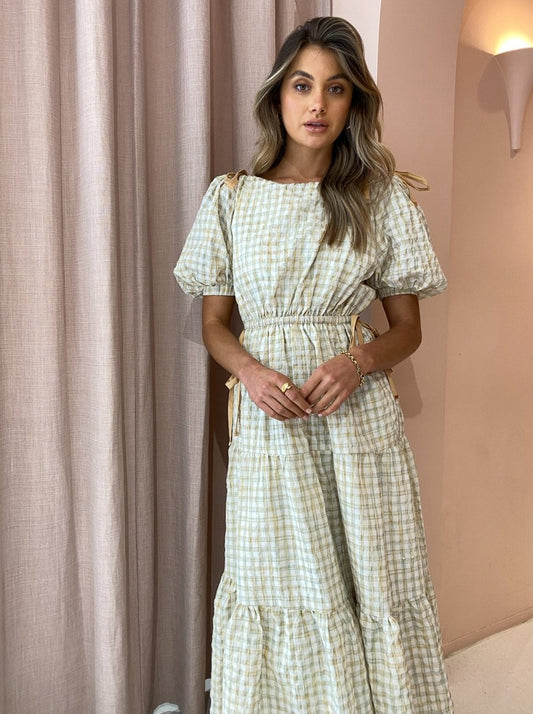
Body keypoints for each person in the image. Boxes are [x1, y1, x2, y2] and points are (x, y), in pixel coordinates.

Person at [174, 16, 454, 714]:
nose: (317, 104)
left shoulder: (379, 196)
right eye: (302, 86)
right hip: (272, 420)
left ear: (354, 102)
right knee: (276, 582)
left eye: (336, 88)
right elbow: (213, 324)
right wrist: (252, 372)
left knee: (373, 580)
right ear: (277, 95)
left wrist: (358, 361)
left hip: (356, 420)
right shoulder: (231, 197)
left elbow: (407, 330)